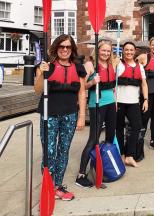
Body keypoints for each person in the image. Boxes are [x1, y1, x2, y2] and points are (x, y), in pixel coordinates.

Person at [35, 34, 87, 200]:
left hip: (70, 116)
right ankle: (48, 187)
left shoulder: (79, 67)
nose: (65, 50)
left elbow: (82, 93)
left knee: (63, 151)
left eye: (68, 47)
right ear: (56, 48)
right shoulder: (46, 66)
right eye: (61, 46)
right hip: (48, 116)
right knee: (49, 153)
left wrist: (81, 117)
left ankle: (58, 186)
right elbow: (37, 91)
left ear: (72, 49)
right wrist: (41, 74)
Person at [76, 39, 117, 187]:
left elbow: (113, 87)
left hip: (111, 104)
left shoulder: (111, 64)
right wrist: (92, 83)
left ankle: (102, 168)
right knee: (93, 139)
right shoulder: (90, 65)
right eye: (103, 50)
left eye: (108, 51)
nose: (106, 53)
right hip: (97, 105)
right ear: (98, 50)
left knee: (110, 137)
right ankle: (81, 174)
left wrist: (115, 101)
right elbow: (82, 86)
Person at [115, 41, 149, 167]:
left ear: (135, 52)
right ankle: (122, 154)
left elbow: (144, 84)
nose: (129, 52)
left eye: (131, 50)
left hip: (133, 102)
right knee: (119, 128)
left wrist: (146, 99)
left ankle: (129, 155)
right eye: (126, 50)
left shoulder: (139, 67)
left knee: (137, 126)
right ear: (123, 51)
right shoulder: (118, 64)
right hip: (119, 102)